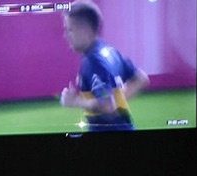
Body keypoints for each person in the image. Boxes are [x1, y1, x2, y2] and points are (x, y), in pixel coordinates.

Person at [60, 0, 150, 131]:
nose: (66, 36)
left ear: (85, 30)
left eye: (70, 30)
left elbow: (108, 107)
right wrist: (118, 99)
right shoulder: (109, 50)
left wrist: (75, 101)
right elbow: (141, 78)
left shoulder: (94, 62)